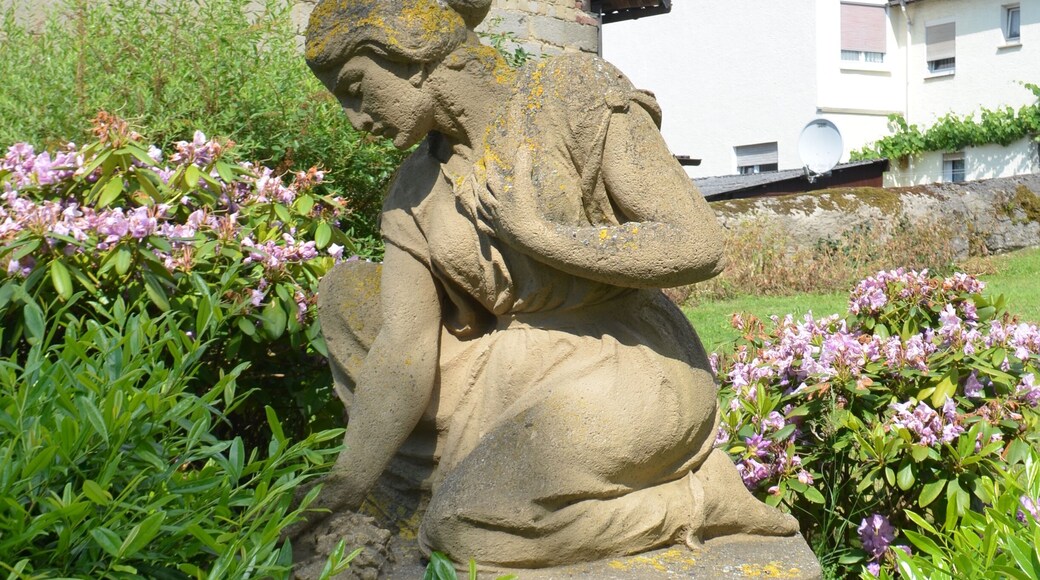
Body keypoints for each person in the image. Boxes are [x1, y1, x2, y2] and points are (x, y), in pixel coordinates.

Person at [303, 0, 798, 569]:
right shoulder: (414, 188)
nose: (354, 117)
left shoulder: (569, 91)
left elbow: (696, 245)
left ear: (409, 54)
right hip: (506, 371)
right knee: (347, 295)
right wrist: (348, 478)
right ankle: (437, 491)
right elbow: (403, 346)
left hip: (622, 359)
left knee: (463, 529)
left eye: (356, 87)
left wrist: (543, 238)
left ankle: (696, 500)